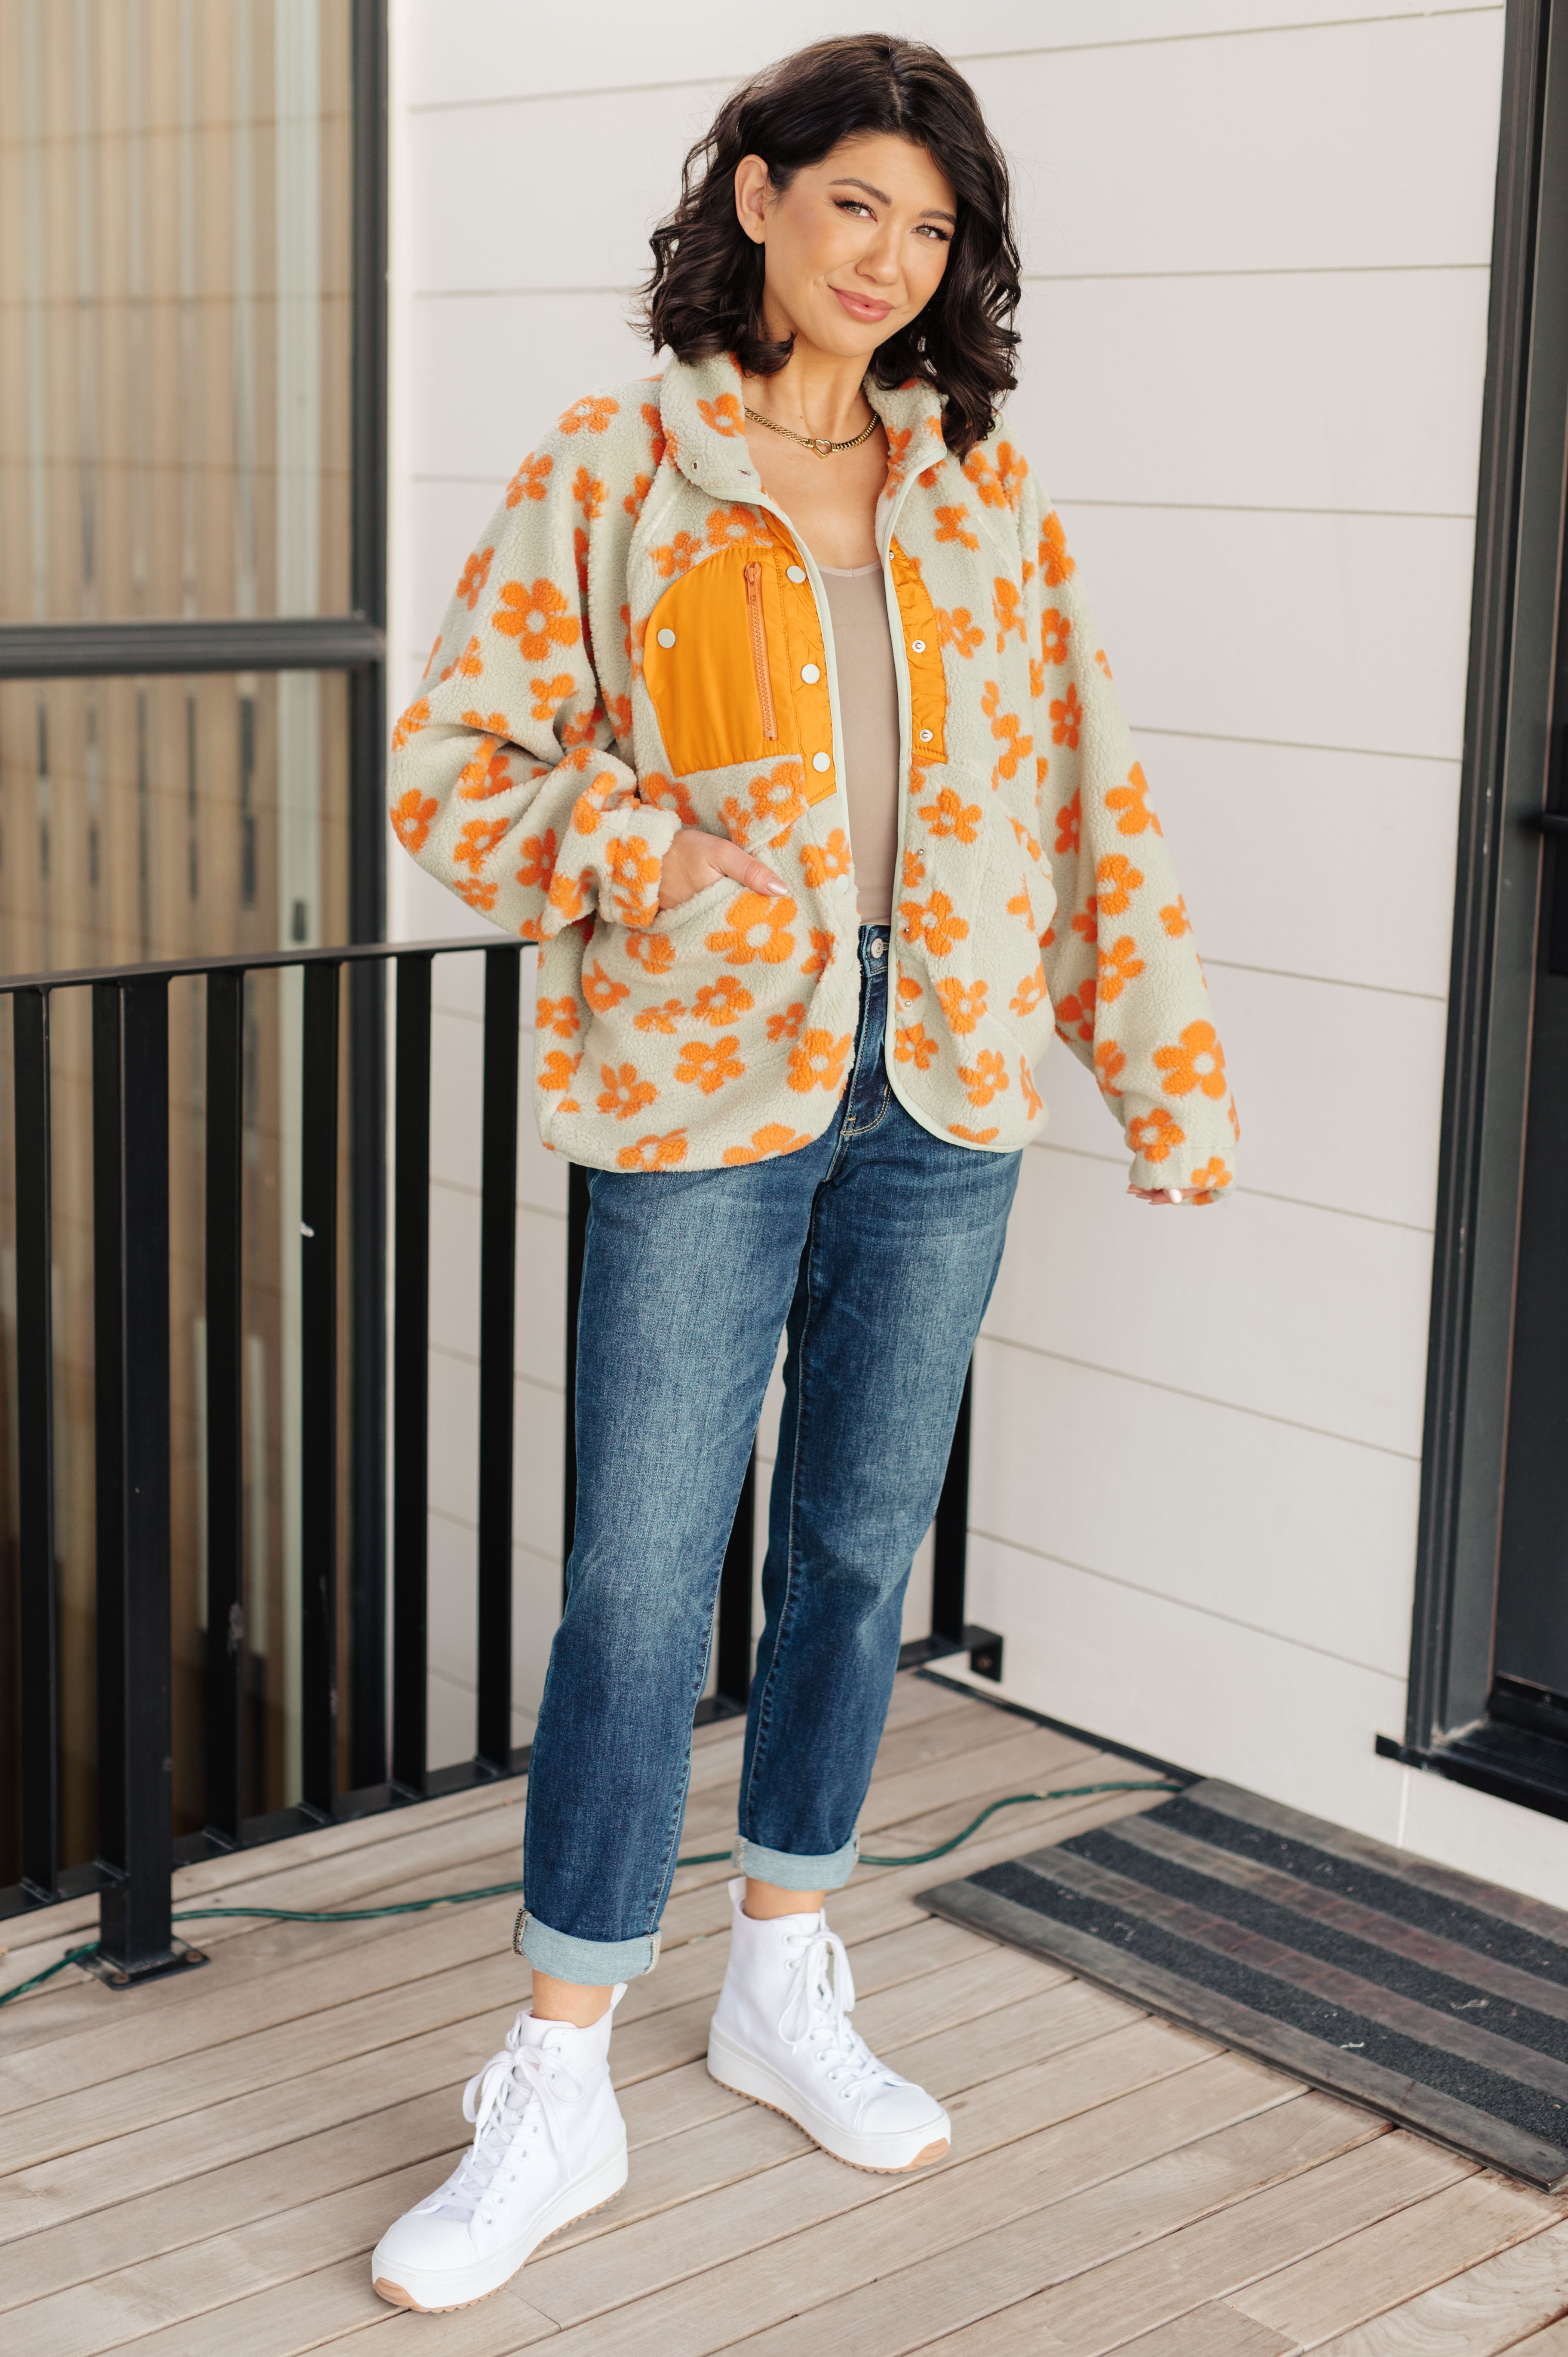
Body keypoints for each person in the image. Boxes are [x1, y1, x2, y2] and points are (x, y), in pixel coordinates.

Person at [371, 31, 1237, 2313]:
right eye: (857, 201)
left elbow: (1091, 803)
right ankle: (558, 2073)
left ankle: (780, 1973)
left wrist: (1162, 1065)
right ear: (754, 195)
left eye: (933, 228)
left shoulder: (989, 502)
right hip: (698, 1096)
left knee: (854, 1553)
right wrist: (659, 854)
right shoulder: (616, 470)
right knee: (643, 1581)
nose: (890, 258)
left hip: (938, 1092)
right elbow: (452, 774)